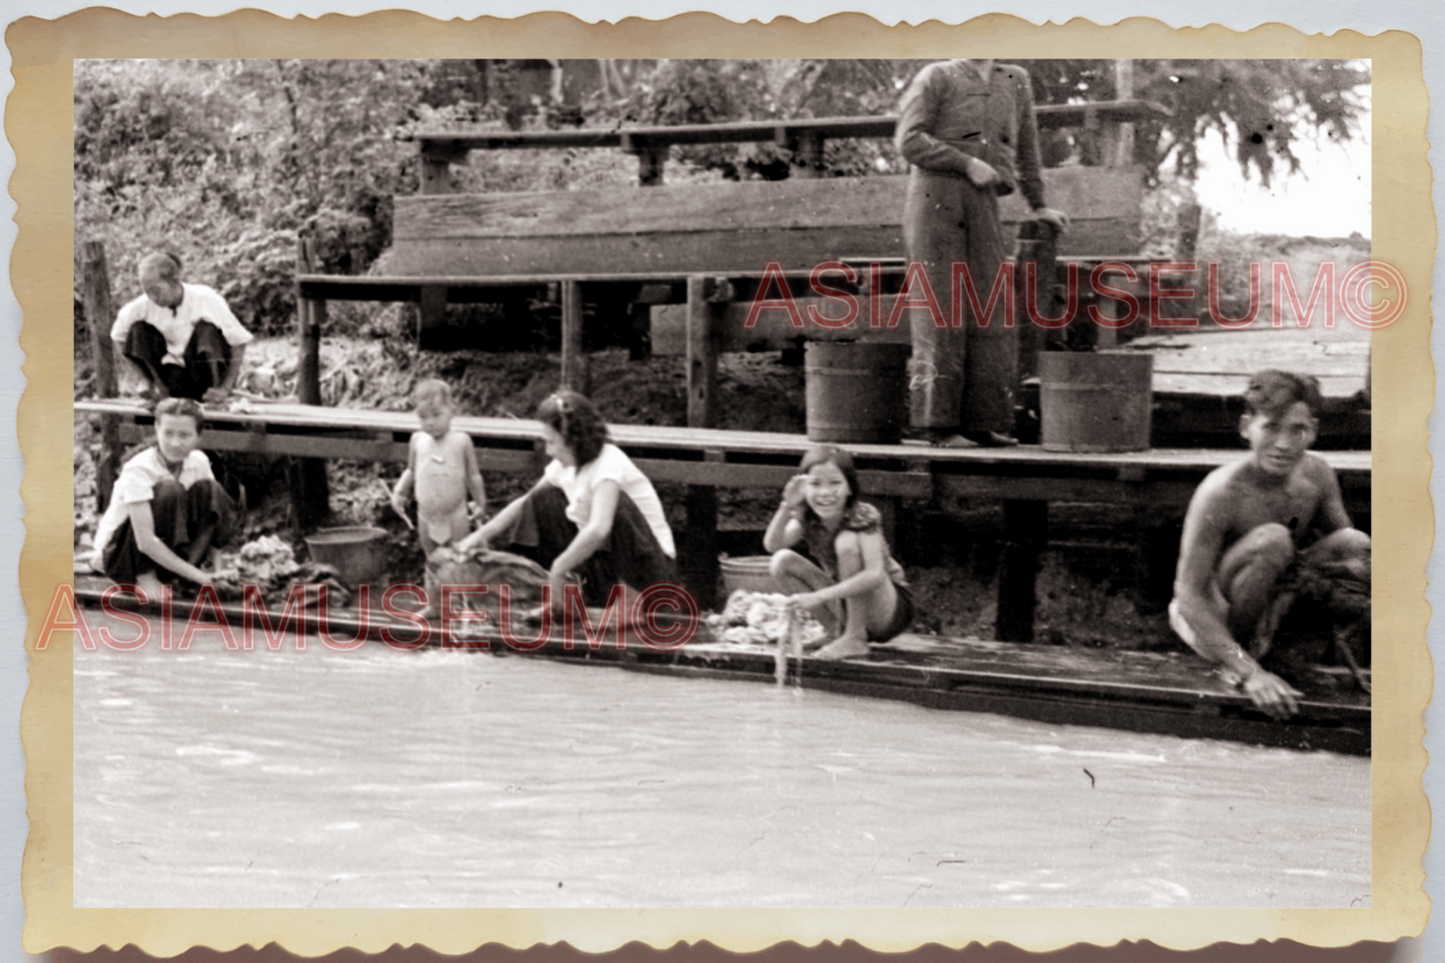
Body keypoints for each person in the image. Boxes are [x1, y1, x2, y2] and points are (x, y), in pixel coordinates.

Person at [1170, 370, 1372, 719]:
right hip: (1210, 617)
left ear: (1313, 429)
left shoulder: (1317, 474)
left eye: (1298, 429)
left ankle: (1296, 649)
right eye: (1272, 428)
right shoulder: (1221, 492)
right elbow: (1188, 596)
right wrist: (1252, 673)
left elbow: (1352, 560)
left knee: (1358, 545)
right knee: (1274, 540)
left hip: (1273, 598)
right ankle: (1247, 660)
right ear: (1247, 426)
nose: (1284, 443)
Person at [895, 59, 1070, 448]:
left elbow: (1028, 147)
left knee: (990, 306)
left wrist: (1038, 204)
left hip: (984, 201)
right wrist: (966, 162)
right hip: (934, 198)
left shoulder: (1016, 80)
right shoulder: (936, 76)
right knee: (942, 307)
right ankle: (939, 427)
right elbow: (909, 140)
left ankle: (981, 421)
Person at [456, 390, 676, 612]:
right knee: (543, 498)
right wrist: (478, 537)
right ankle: (568, 598)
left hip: (649, 578)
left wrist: (559, 566)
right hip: (607, 572)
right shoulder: (564, 466)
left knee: (613, 503)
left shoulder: (610, 462)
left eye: (552, 442)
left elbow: (599, 529)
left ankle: (630, 605)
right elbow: (526, 501)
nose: (549, 450)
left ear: (573, 439)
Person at [764, 444, 914, 661]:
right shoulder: (807, 518)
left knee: (846, 542)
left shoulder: (863, 515)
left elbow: (874, 574)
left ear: (849, 488)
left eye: (835, 483)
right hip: (847, 602)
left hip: (888, 611)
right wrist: (787, 505)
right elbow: (773, 545)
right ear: (804, 488)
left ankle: (855, 637)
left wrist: (818, 596)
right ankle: (836, 633)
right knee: (781, 561)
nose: (825, 493)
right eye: (815, 484)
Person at [91, 397, 235, 598]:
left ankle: (183, 574)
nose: (175, 443)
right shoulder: (139, 468)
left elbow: (212, 513)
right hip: (124, 558)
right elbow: (145, 541)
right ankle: (145, 577)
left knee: (209, 488)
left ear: (198, 436)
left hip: (169, 555)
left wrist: (218, 571)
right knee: (169, 489)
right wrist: (203, 578)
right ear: (156, 429)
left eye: (185, 435)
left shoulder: (199, 461)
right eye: (168, 433)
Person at [390, 379, 487, 616]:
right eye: (423, 417)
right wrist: (400, 492)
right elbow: (411, 470)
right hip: (426, 516)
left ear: (451, 411)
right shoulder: (417, 440)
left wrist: (481, 502)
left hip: (455, 514)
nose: (430, 422)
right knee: (432, 561)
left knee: (460, 559)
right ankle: (435, 604)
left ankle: (466, 606)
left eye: (436, 414)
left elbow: (473, 476)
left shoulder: (461, 441)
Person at [112, 252, 253, 404]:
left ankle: (214, 393)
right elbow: (118, 337)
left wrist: (225, 387)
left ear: (175, 280)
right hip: (171, 377)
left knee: (207, 330)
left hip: (202, 375)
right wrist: (143, 377)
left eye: (157, 290)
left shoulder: (205, 299)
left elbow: (239, 342)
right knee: (138, 330)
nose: (153, 297)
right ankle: (160, 392)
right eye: (148, 291)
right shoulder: (140, 307)